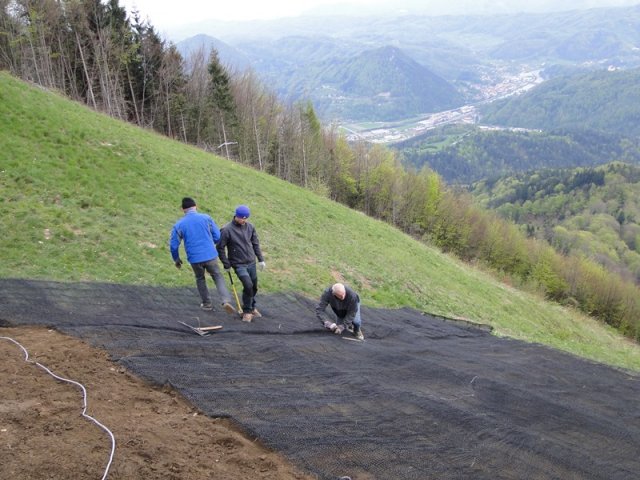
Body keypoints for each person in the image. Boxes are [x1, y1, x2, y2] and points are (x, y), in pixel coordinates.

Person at [170, 197, 236, 314]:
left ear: (183, 209)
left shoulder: (179, 225)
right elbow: (217, 237)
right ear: (195, 206)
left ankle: (207, 304)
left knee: (200, 279)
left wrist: (176, 259)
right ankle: (225, 300)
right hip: (210, 255)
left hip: (194, 259)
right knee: (217, 276)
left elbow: (174, 245)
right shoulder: (206, 218)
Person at [216, 205, 266, 322]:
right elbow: (220, 248)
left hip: (251, 262)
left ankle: (252, 307)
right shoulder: (226, 230)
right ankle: (247, 312)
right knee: (248, 286)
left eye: (245, 218)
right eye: (241, 218)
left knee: (253, 287)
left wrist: (261, 259)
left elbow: (255, 244)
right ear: (236, 216)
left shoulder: (250, 227)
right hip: (238, 264)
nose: (243, 220)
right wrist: (226, 264)